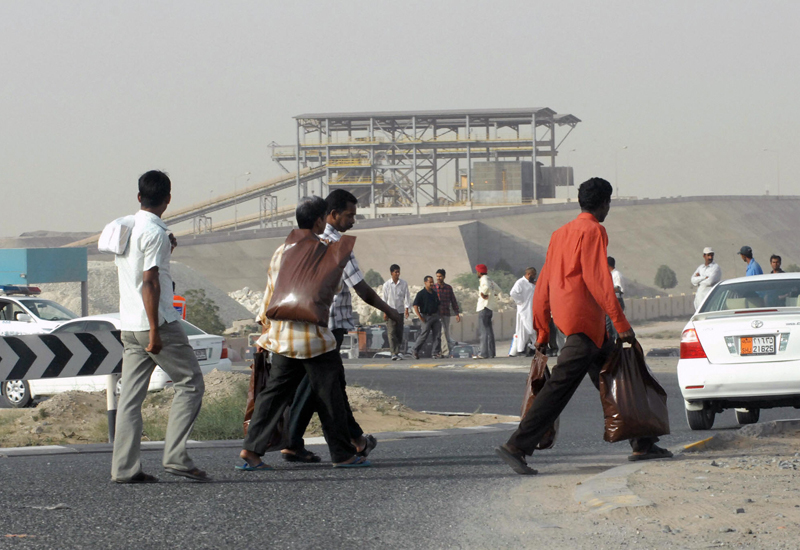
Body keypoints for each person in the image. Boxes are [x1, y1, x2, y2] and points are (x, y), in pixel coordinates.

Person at [495, 177, 672, 476]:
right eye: (609, 203)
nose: (608, 209)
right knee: (558, 388)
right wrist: (620, 321)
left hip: (577, 326)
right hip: (585, 327)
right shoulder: (595, 231)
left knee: (616, 380)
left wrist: (542, 328)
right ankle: (517, 446)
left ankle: (643, 443)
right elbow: (597, 278)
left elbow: (546, 282)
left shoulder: (559, 233)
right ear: (604, 203)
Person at [239, 197, 369, 470]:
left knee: (273, 395)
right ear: (321, 220)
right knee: (330, 395)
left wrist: (265, 331)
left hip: (283, 337)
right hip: (315, 340)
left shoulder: (281, 251)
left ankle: (251, 451)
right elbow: (327, 292)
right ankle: (343, 454)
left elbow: (270, 294)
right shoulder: (323, 250)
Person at [281, 189, 401, 463]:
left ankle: (303, 441)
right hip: (328, 323)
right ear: (332, 215)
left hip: (307, 320)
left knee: (319, 384)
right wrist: (390, 311)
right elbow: (361, 288)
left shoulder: (306, 241)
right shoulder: (336, 244)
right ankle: (345, 445)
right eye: (349, 215)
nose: (353, 221)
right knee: (323, 385)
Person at [112, 170, 209, 483]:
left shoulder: (126, 227)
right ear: (168, 200)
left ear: (139, 197)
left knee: (130, 398)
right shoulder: (155, 233)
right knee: (191, 382)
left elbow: (141, 270)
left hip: (128, 324)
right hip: (155, 322)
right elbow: (150, 282)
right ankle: (176, 457)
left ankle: (124, 469)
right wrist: (156, 331)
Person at [382, 265, 411, 360]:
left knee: (399, 332)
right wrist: (385, 312)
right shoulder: (386, 285)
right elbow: (384, 299)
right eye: (396, 272)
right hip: (390, 311)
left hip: (400, 311)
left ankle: (397, 351)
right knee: (391, 333)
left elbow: (406, 296)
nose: (397, 274)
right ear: (391, 273)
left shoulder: (403, 284)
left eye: (398, 272)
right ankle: (393, 352)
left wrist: (407, 309)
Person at [411, 276, 441, 360]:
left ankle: (435, 353)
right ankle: (415, 351)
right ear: (425, 282)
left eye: (432, 282)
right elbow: (415, 306)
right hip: (426, 317)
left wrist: (439, 314)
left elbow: (438, 304)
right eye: (430, 282)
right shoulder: (421, 294)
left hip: (435, 316)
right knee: (424, 335)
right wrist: (420, 317)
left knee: (437, 335)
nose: (432, 284)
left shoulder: (434, 293)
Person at [432, 269, 460, 358]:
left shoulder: (448, 288)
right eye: (437, 276)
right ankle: (445, 352)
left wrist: (457, 313)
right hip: (437, 314)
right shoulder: (434, 288)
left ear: (444, 277)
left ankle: (447, 349)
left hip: (446, 314)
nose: (438, 278)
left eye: (440, 276)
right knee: (442, 332)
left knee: (446, 334)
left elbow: (453, 301)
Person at [508, 268, 536, 357]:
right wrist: (520, 301)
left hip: (531, 310)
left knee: (531, 329)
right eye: (533, 274)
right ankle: (522, 349)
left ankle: (532, 347)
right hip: (523, 310)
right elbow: (513, 293)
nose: (535, 276)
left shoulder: (531, 283)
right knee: (524, 331)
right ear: (528, 274)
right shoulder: (520, 282)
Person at [475, 264, 500, 359]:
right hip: (490, 307)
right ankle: (491, 352)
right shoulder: (490, 280)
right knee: (489, 330)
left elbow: (486, 287)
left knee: (483, 331)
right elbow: (498, 290)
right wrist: (492, 296)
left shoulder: (484, 279)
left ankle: (483, 353)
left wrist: (483, 293)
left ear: (479, 272)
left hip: (484, 307)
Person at [605, 257, 625, 343]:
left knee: (615, 324)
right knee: (607, 325)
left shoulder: (616, 275)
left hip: (616, 301)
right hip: (609, 302)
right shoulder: (609, 275)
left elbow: (618, 288)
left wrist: (608, 289)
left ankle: (618, 344)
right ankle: (609, 344)